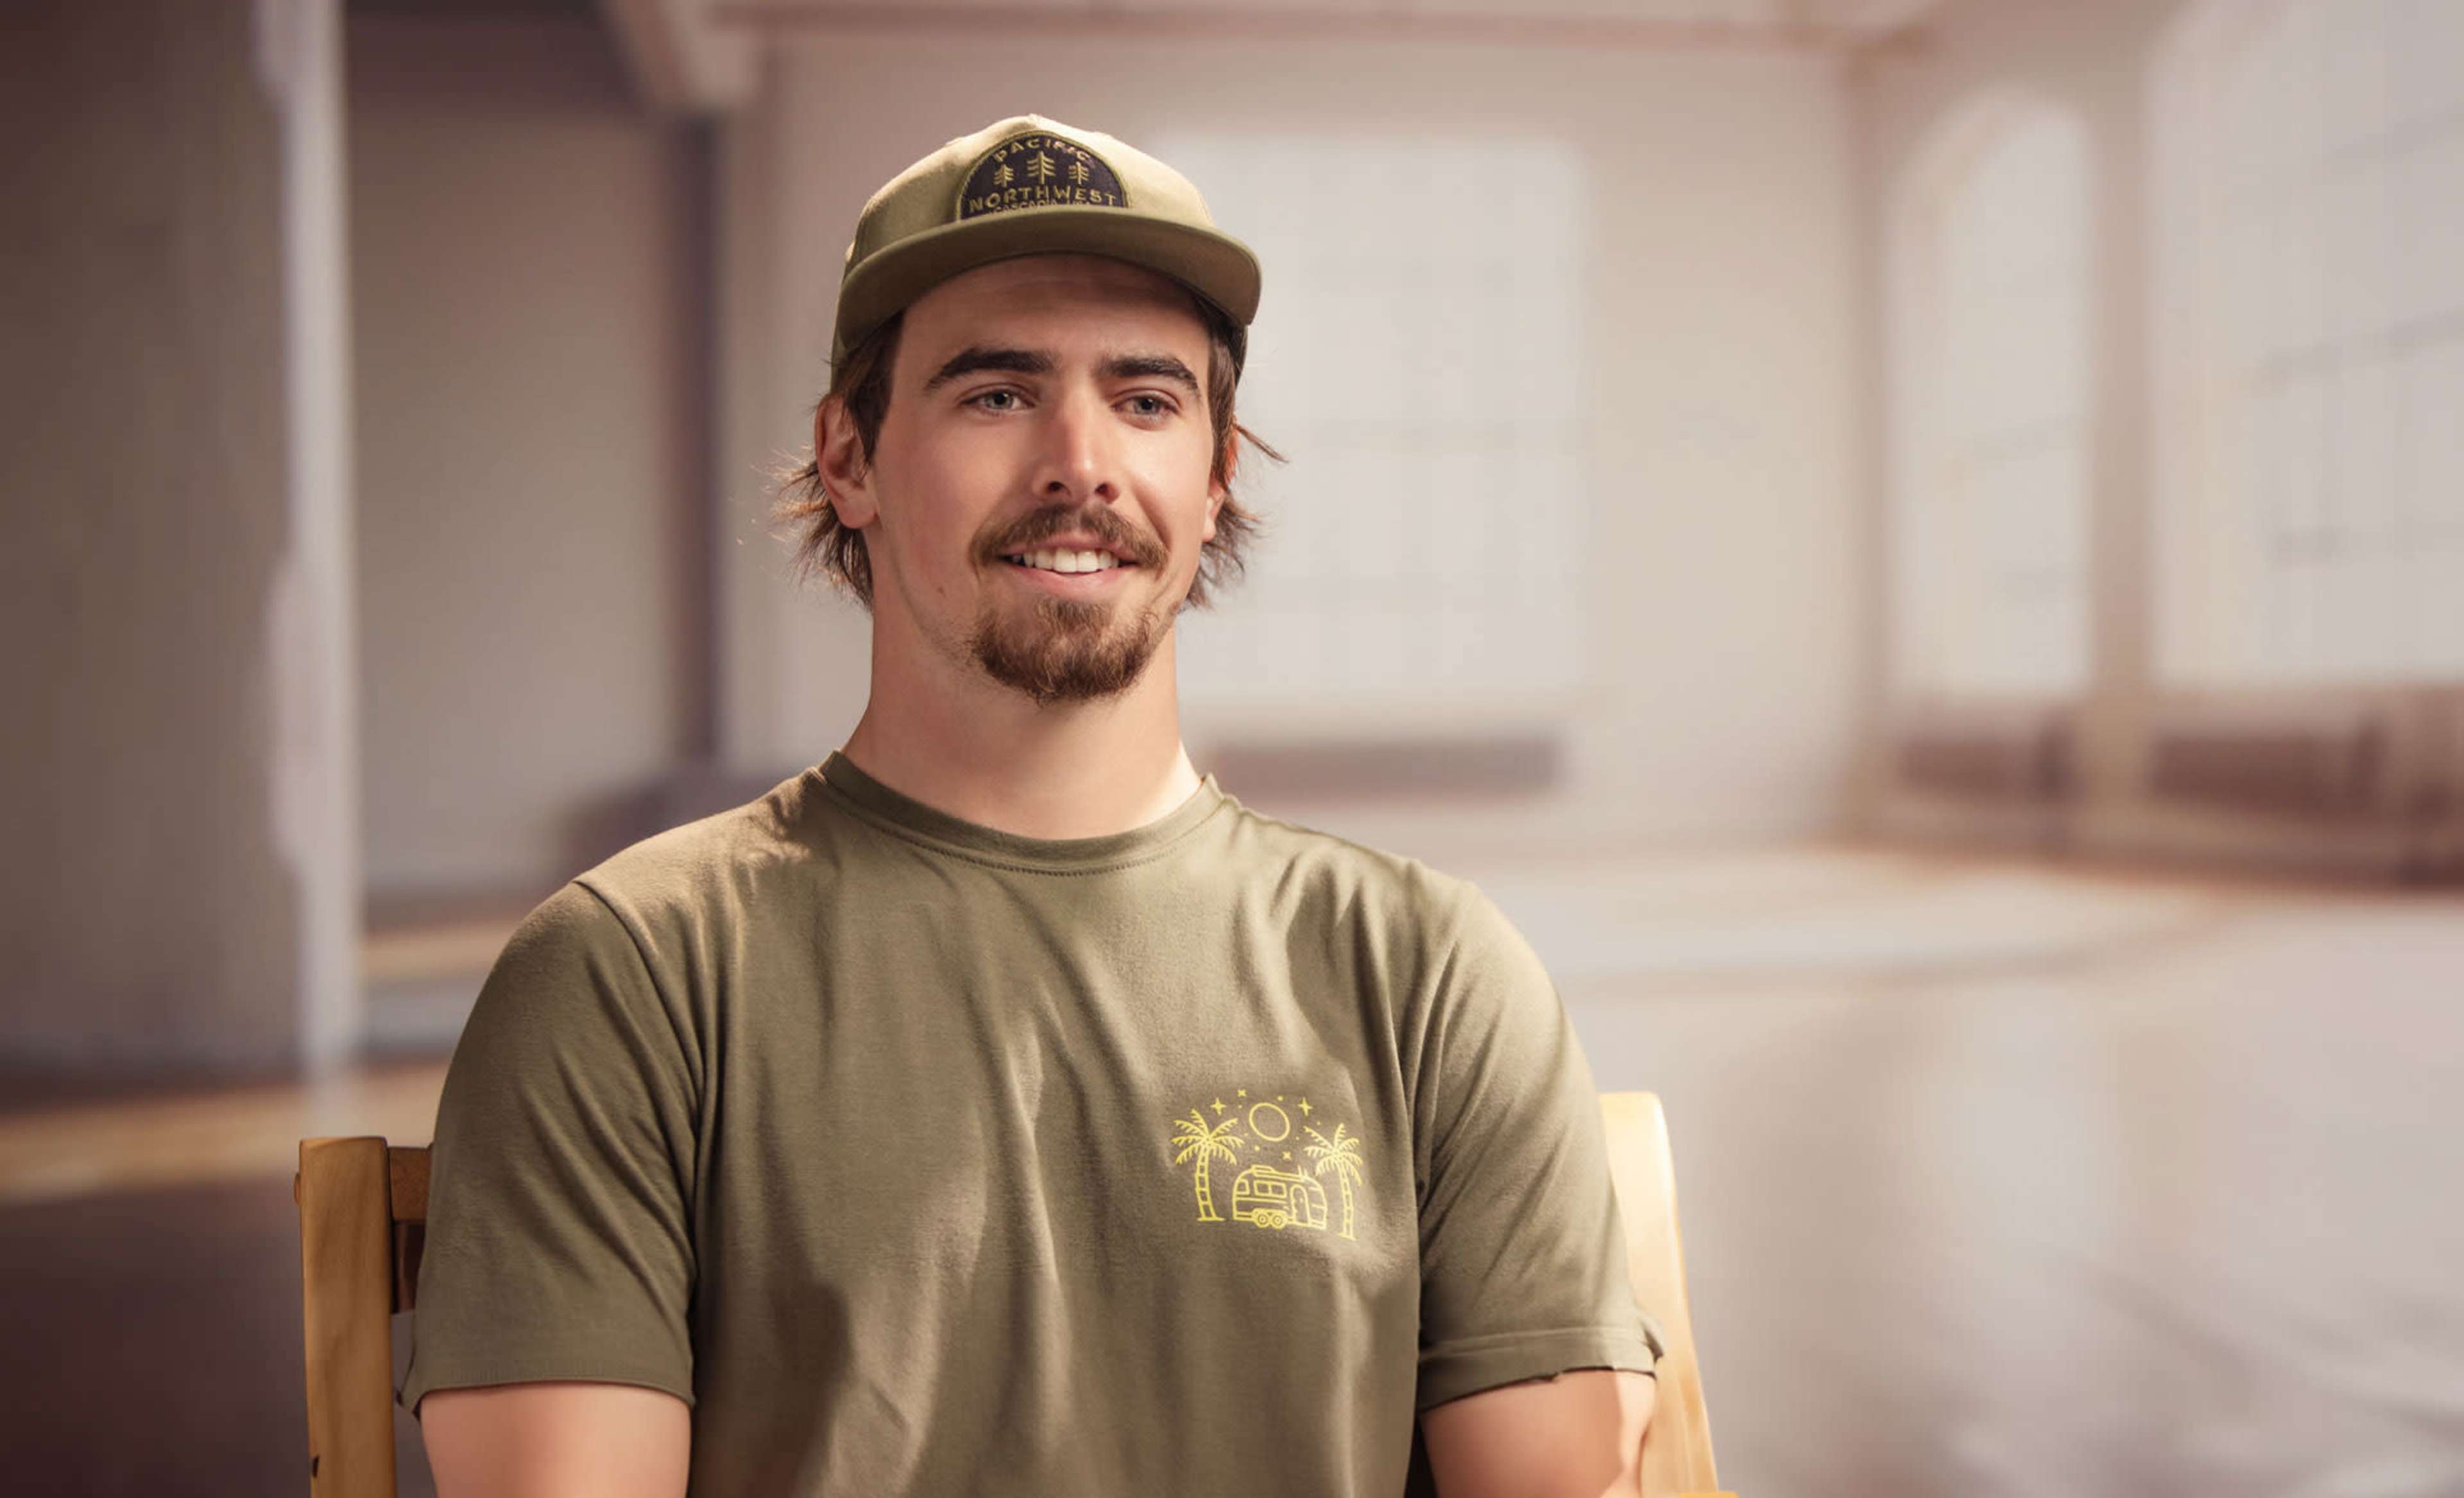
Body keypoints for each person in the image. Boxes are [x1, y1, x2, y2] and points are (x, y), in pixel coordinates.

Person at [403, 114, 1664, 1497]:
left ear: (1217, 469)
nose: (1082, 461)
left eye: (1146, 399)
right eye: (998, 394)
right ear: (849, 459)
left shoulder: (1428, 971)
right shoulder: (632, 977)